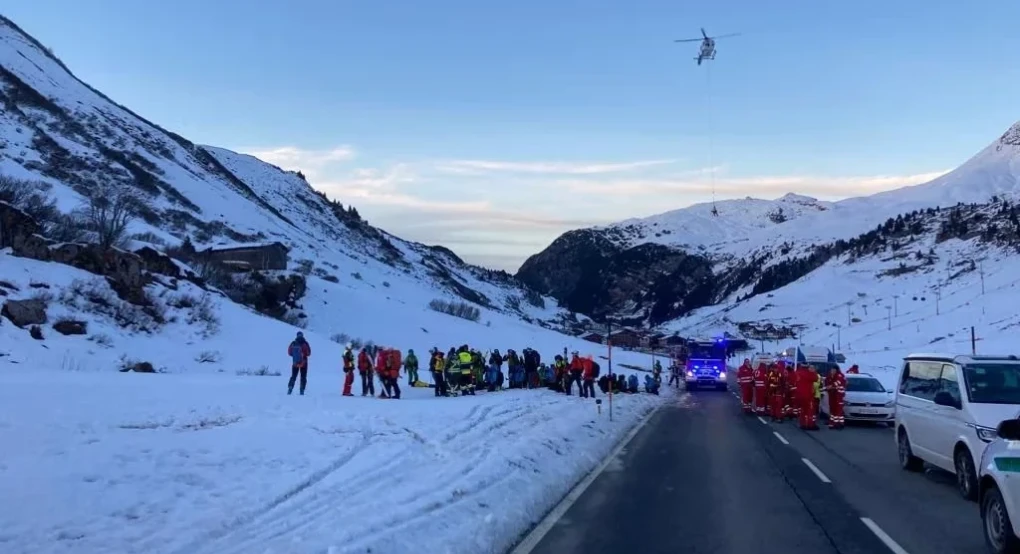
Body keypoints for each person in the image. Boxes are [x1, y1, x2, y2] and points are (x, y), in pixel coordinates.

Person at [795, 363, 820, 430]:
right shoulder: (808, 373)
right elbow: (816, 378)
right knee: (810, 410)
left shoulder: (797, 372)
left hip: (799, 395)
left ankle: (803, 424)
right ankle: (810, 425)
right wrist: (813, 371)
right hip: (808, 395)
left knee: (803, 410)